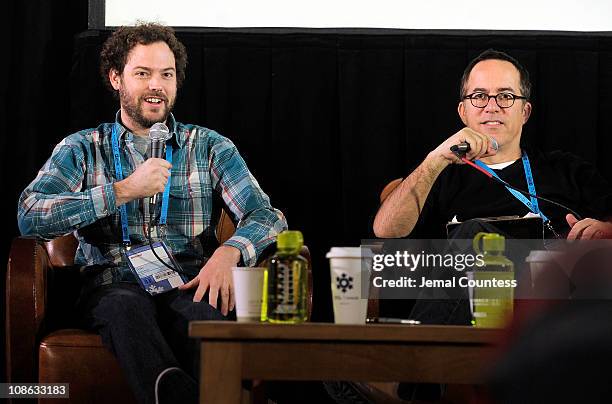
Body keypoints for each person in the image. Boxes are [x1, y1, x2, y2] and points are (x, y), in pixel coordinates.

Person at [18, 23, 287, 404]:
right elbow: (31, 214)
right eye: (142, 74)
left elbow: (268, 216)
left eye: (166, 74)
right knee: (125, 308)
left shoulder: (209, 146)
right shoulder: (82, 147)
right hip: (113, 284)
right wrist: (123, 190)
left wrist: (232, 251)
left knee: (207, 322)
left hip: (189, 283)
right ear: (116, 78)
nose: (156, 85)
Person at [373, 49, 612, 241]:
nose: (492, 106)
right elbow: (386, 231)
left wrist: (605, 230)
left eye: (506, 96)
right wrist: (436, 158)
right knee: (473, 233)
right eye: (479, 96)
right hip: (469, 296)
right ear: (463, 112)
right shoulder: (438, 175)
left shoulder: (568, 170)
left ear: (525, 112)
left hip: (551, 292)